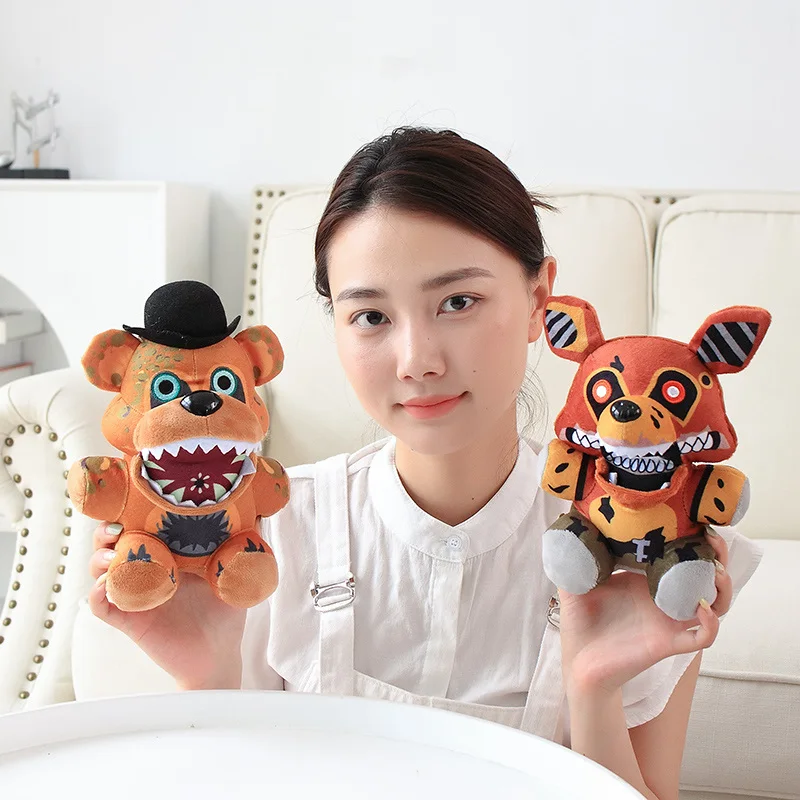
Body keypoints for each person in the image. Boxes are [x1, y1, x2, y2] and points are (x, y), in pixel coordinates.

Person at [87, 127, 760, 799]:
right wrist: (206, 677)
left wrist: (594, 689)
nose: (417, 361)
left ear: (539, 301)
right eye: (371, 316)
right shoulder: (269, 529)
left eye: (458, 302)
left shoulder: (648, 548)